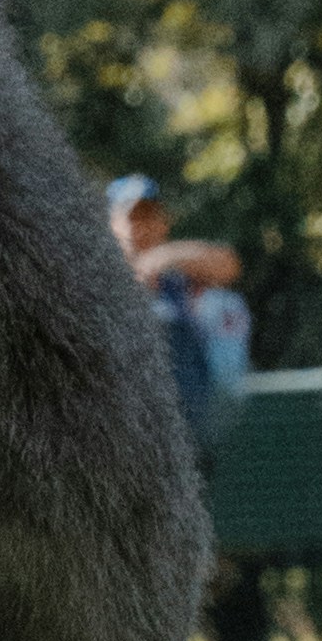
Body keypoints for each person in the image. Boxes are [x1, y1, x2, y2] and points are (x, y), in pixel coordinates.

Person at [108, 173, 253, 446]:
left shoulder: (177, 283)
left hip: (187, 437)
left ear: (163, 223)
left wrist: (164, 257)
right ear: (110, 224)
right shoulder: (97, 281)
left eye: (150, 216)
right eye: (133, 217)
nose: (143, 227)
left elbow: (229, 265)